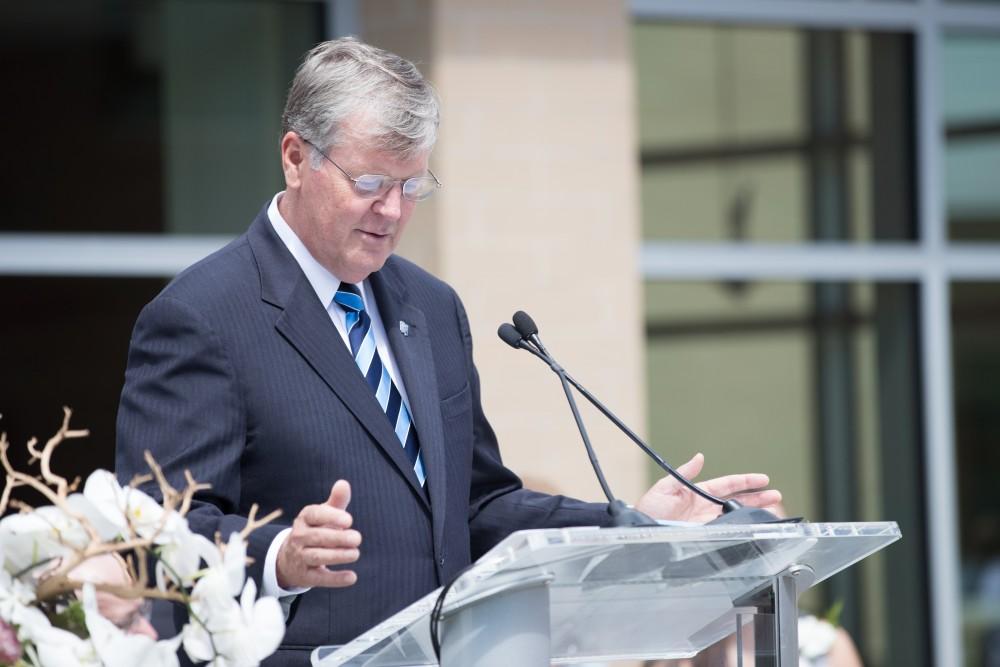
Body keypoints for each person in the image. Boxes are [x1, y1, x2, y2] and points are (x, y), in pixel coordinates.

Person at [115, 37, 780, 665]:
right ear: (295, 156)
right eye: (371, 181)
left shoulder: (430, 308)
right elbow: (154, 535)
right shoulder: (201, 316)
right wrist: (278, 553)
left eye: (413, 186)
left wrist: (635, 523)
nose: (393, 211)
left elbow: (479, 505)